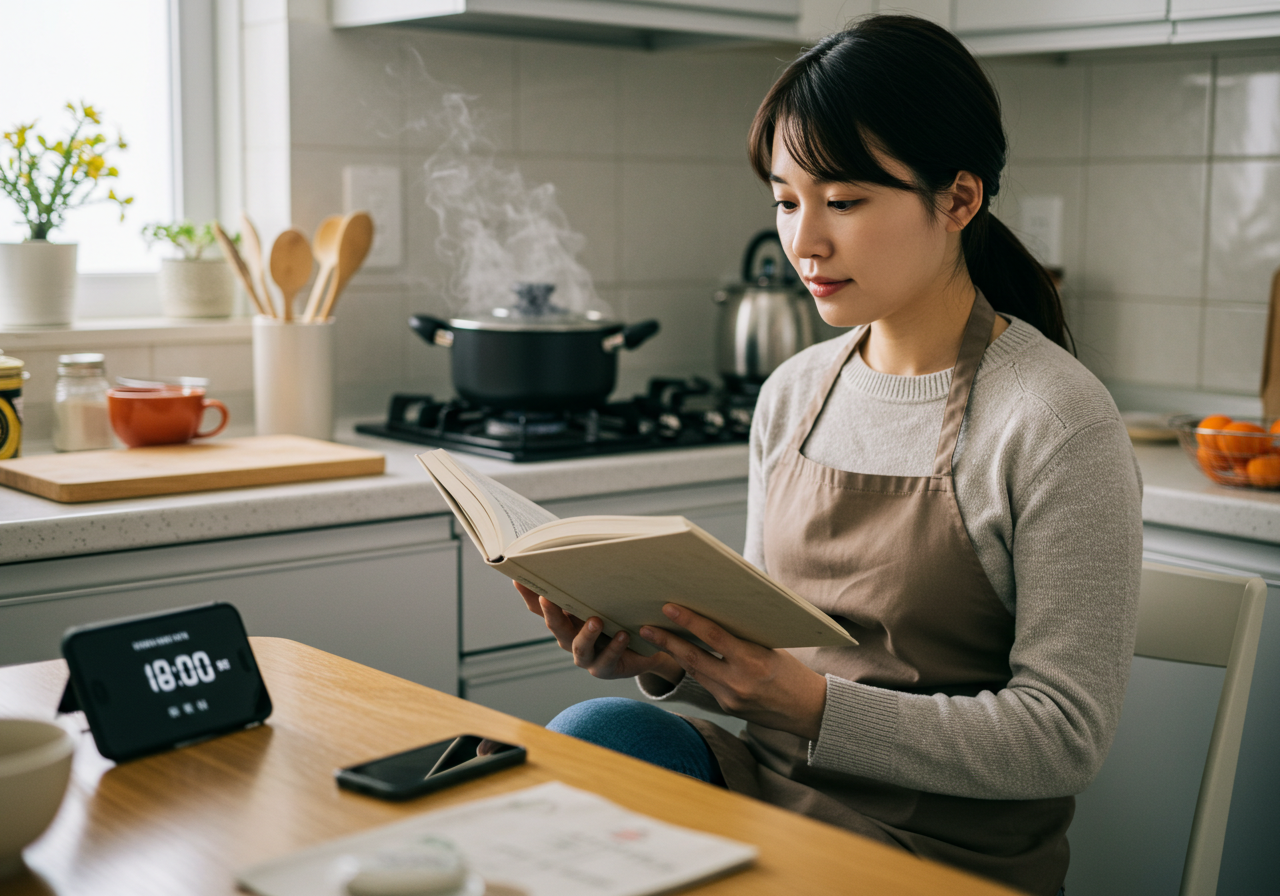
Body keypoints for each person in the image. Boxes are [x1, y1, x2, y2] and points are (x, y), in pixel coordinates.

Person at [513, 15, 1143, 896]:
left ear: (959, 199)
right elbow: (770, 662)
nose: (804, 242)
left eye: (843, 202)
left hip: (943, 858)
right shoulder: (795, 393)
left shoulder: (1054, 418)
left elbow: (1063, 736)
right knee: (594, 733)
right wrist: (666, 658)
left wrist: (808, 706)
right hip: (771, 793)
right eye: (784, 199)